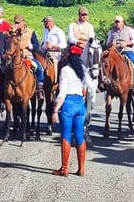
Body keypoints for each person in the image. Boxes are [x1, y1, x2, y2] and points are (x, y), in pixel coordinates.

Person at [52, 45, 93, 177]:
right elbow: (91, 86)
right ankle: (81, 169)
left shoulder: (65, 70)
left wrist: (55, 110)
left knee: (66, 135)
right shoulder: (83, 69)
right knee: (80, 135)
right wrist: (82, 89)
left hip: (68, 103)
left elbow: (62, 92)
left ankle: (64, 169)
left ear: (69, 56)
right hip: (80, 104)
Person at [107, 15, 134, 98]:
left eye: (119, 22)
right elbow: (108, 42)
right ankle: (104, 84)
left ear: (122, 22)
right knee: (105, 64)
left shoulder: (129, 30)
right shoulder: (112, 31)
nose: (117, 24)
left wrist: (127, 43)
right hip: (115, 52)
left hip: (126, 51)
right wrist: (111, 44)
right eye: (116, 22)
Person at [12, 14, 45, 100]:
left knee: (39, 68)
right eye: (15, 22)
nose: (16, 24)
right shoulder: (13, 31)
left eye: (18, 23)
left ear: (23, 22)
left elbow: (36, 45)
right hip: (14, 57)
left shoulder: (31, 32)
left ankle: (39, 89)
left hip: (27, 56)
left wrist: (27, 45)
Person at [41, 16, 67, 82]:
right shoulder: (45, 31)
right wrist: (44, 45)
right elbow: (44, 41)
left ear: (49, 23)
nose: (44, 24)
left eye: (45, 23)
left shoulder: (58, 31)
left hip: (56, 53)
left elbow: (64, 44)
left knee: (56, 66)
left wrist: (52, 46)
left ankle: (56, 81)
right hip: (45, 52)